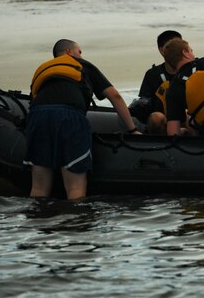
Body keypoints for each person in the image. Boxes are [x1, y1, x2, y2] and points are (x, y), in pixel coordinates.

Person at [24, 39, 139, 201]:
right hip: (69, 116)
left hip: (37, 116)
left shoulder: (43, 70)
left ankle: (39, 221)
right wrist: (133, 129)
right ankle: (77, 222)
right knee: (75, 187)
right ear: (70, 52)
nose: (81, 55)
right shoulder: (82, 65)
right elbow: (115, 96)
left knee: (38, 187)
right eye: (79, 51)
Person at [135, 30, 182, 134]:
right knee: (155, 118)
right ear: (162, 50)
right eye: (173, 48)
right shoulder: (152, 74)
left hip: (188, 119)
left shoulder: (194, 70)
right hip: (163, 123)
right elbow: (144, 104)